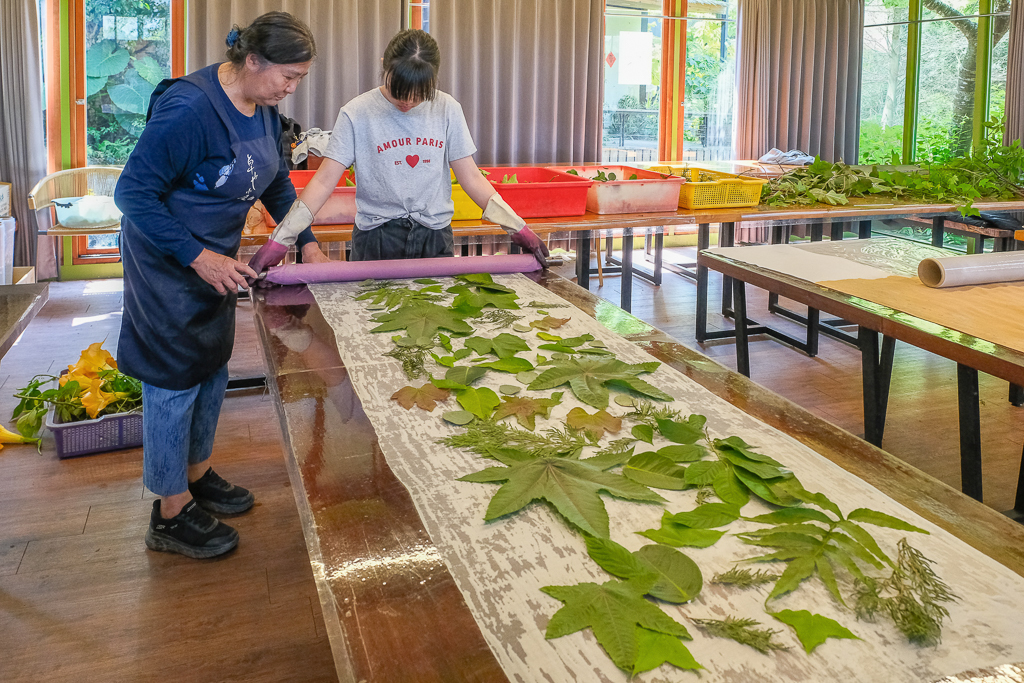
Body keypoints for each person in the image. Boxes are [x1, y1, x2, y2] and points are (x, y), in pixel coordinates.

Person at [114, 12, 328, 559]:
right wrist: (198, 257)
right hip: (167, 260)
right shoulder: (190, 109)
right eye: (288, 76)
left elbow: (277, 184)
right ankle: (169, 512)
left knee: (212, 364)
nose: (292, 88)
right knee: (174, 376)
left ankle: (197, 475)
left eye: (299, 79)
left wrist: (306, 241)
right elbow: (132, 194)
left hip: (216, 259)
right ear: (252, 60)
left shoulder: (263, 108)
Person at [246, 28, 549, 272]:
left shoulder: (447, 109)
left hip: (434, 236)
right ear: (385, 66)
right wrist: (281, 239)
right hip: (377, 238)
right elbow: (324, 181)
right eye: (399, 92)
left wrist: (517, 227)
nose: (408, 102)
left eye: (419, 95)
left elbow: (470, 177)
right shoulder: (357, 112)